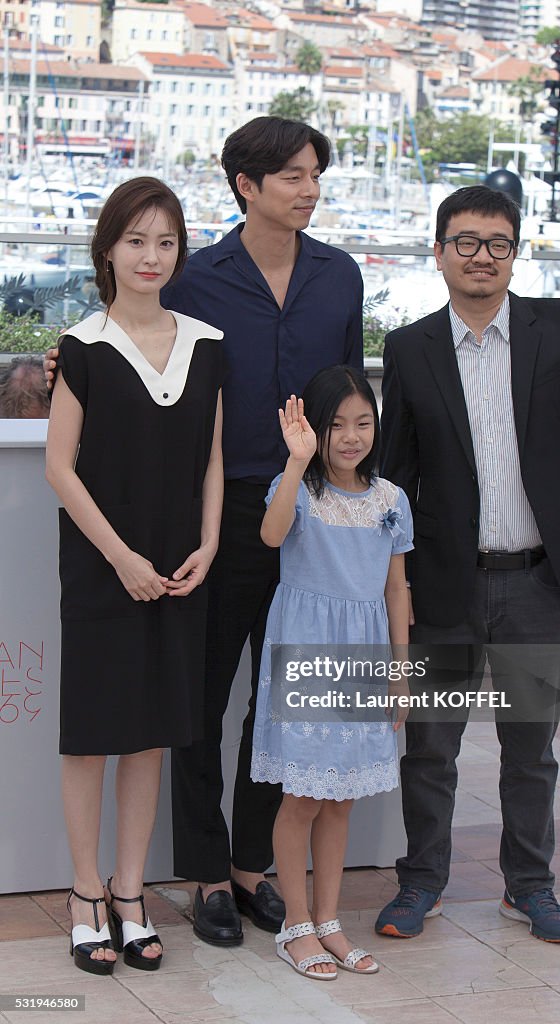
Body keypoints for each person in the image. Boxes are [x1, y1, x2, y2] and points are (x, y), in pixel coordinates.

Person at [45, 118, 363, 944]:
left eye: (314, 174)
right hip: (218, 510)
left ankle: (254, 864)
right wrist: (57, 368)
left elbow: (347, 387)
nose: (308, 188)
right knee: (196, 698)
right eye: (291, 175)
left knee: (282, 701)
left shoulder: (340, 275)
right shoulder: (198, 276)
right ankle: (205, 873)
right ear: (245, 185)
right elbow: (132, 340)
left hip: (310, 513)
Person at [375, 185, 560, 943]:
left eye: (497, 243)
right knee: (430, 749)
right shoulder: (408, 347)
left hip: (539, 581)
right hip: (445, 580)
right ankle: (422, 883)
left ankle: (529, 887)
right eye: (465, 242)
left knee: (529, 751)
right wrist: (386, 577)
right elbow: (394, 472)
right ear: (438, 252)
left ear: (515, 252)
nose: (481, 257)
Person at [45, 177, 224, 975]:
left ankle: (130, 892)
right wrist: (120, 558)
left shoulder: (208, 343)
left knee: (150, 735)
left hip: (180, 570)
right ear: (108, 248)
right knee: (91, 737)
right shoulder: (82, 347)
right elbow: (59, 467)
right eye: (136, 241)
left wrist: (210, 544)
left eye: (166, 242)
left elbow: (212, 461)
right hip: (101, 570)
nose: (152, 257)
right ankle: (85, 895)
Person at [251, 365, 412, 980]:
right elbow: (270, 536)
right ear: (314, 429)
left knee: (341, 800)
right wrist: (295, 463)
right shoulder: (299, 489)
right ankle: (295, 926)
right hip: (307, 648)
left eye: (363, 422)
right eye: (336, 424)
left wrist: (399, 673)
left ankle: (329, 921)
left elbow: (397, 589)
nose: (350, 435)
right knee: (304, 794)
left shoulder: (390, 500)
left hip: (365, 656)